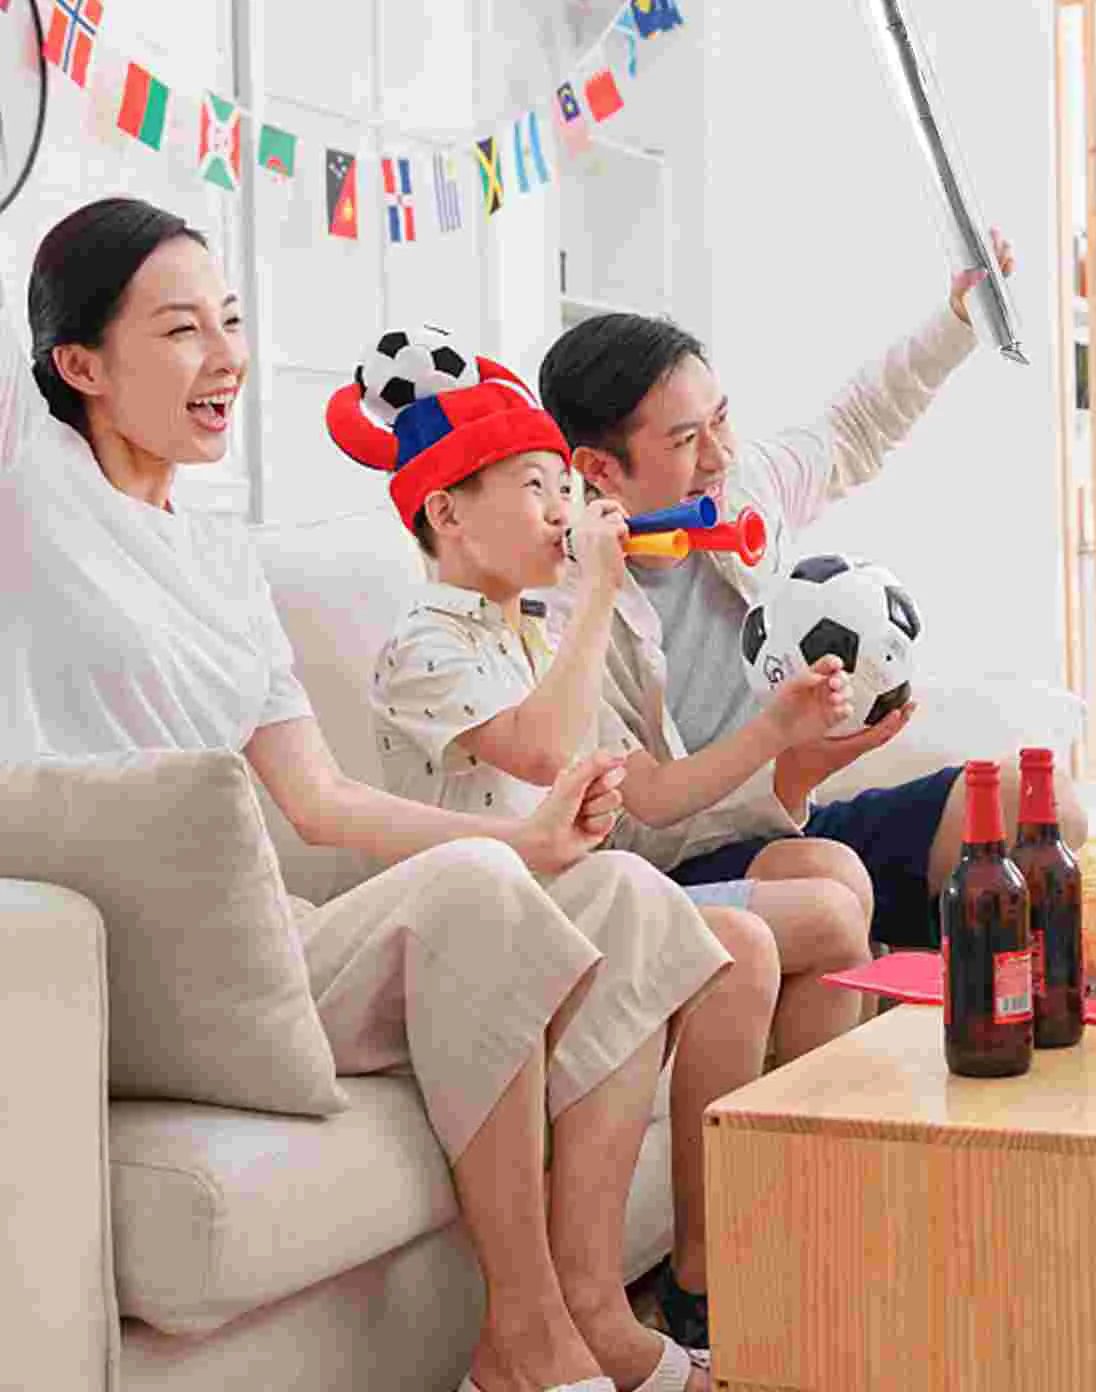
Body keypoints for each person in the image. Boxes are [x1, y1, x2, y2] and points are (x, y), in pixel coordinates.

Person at [0, 197, 723, 1392]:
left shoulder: (222, 563)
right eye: (180, 329)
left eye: (231, 321)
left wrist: (532, 838)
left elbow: (321, 798)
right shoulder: (29, 501)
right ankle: (522, 1335)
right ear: (78, 365)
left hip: (265, 944)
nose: (225, 356)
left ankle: (592, 1308)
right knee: (476, 888)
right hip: (133, 973)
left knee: (627, 898)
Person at [326, 346, 872, 1349]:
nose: (559, 511)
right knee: (754, 941)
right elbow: (540, 751)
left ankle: (757, 1260)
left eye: (561, 488)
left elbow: (630, 791)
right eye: (535, 488)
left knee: (781, 929)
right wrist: (591, 597)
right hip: (486, 936)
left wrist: (777, 738)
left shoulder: (534, 635)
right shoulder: (427, 643)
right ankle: (705, 1283)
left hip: (582, 901)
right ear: (447, 514)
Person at [537, 233, 1089, 951]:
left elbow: (855, 427)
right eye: (685, 441)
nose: (719, 455)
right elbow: (646, 810)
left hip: (794, 816)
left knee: (1042, 805)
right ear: (599, 469)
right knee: (829, 879)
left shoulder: (743, 491)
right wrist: (785, 749)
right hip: (685, 861)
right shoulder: (564, 607)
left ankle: (1006, 1001)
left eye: (721, 419)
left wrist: (957, 321)